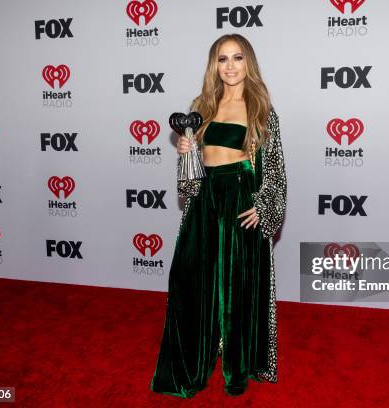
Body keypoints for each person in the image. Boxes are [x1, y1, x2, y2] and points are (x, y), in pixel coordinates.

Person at [150, 33, 287, 398]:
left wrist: (264, 205)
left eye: (237, 58)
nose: (229, 66)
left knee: (237, 286)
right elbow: (190, 176)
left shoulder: (261, 108)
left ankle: (237, 368)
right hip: (205, 198)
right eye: (222, 59)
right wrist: (186, 152)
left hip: (239, 199)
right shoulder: (201, 105)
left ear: (248, 63)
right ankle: (191, 363)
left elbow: (275, 170)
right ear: (214, 65)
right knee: (189, 278)